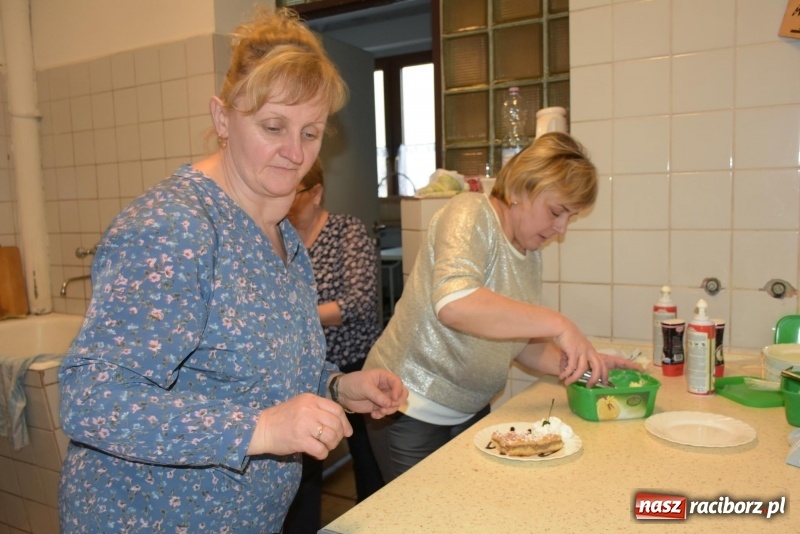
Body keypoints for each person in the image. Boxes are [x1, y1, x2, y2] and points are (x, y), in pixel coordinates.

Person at [57, 8, 407, 533]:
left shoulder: (282, 234)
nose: (295, 153)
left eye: (310, 133)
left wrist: (337, 387)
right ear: (223, 119)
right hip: (151, 519)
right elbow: (92, 400)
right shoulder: (176, 227)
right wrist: (260, 429)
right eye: (273, 127)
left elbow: (257, 371)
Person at [363, 131, 641, 482]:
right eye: (557, 211)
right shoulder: (470, 211)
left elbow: (522, 346)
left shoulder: (529, 253)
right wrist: (561, 324)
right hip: (407, 406)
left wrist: (589, 369)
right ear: (517, 189)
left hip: (469, 411)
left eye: (571, 216)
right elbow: (455, 303)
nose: (561, 229)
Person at [283, 158, 385, 533]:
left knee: (365, 458)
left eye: (296, 194)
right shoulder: (280, 237)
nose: (288, 204)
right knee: (303, 466)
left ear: (317, 192)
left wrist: (300, 314)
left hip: (353, 364)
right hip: (304, 369)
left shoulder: (346, 230)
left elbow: (357, 303)